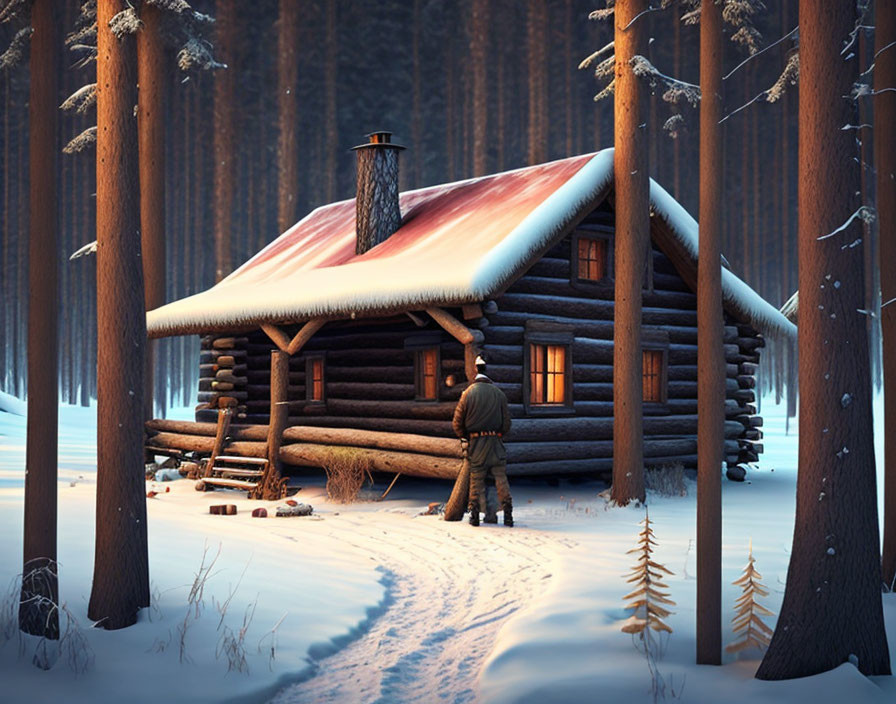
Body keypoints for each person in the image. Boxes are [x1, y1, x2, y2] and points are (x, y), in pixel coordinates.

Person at [452, 355, 513, 527]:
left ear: (475, 371)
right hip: (495, 443)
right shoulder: (499, 394)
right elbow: (506, 424)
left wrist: (465, 437)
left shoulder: (467, 394)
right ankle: (508, 513)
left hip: (476, 444)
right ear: (487, 371)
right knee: (501, 479)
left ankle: (474, 516)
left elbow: (457, 423)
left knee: (476, 480)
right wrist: (498, 434)